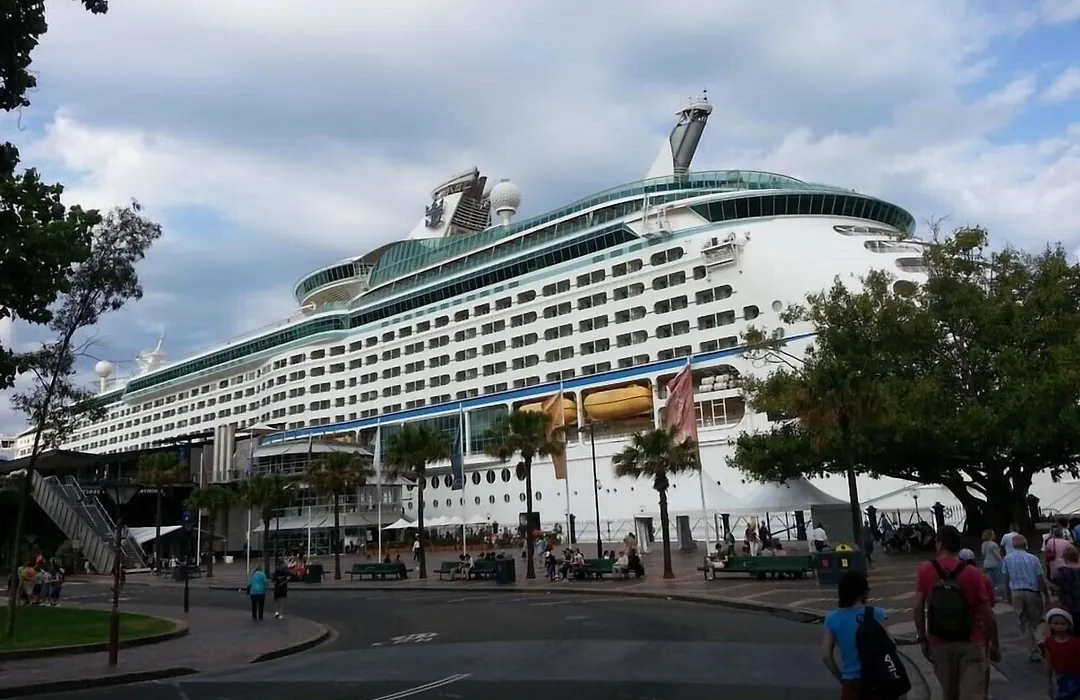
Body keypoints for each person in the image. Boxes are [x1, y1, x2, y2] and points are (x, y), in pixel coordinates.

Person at [914, 525, 999, 700]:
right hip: (971, 640)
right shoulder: (972, 573)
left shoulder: (926, 569)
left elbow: (918, 607)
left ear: (939, 544)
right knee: (974, 693)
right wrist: (994, 643)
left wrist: (922, 638)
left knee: (949, 693)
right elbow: (987, 613)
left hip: (940, 641)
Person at [821, 570, 897, 699]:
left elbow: (826, 656)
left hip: (851, 682)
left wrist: (841, 678)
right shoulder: (876, 614)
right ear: (863, 593)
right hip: (878, 679)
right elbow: (891, 644)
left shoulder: (832, 618)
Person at [1001, 534, 1051, 661]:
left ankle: (1032, 650)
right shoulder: (1033, 558)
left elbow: (1006, 578)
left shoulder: (1007, 559)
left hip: (1016, 592)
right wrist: (1045, 593)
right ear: (1026, 544)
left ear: (1013, 545)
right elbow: (1040, 578)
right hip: (1032, 591)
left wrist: (1007, 594)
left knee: (1023, 622)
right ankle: (1040, 639)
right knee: (1038, 619)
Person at [1043, 608, 1080, 700]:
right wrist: (1048, 680)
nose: (1059, 626)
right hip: (1060, 675)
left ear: (1069, 625)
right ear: (1050, 624)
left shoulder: (1076, 642)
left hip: (1076, 675)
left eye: (1063, 624)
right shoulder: (1049, 642)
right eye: (1055, 624)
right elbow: (1048, 661)